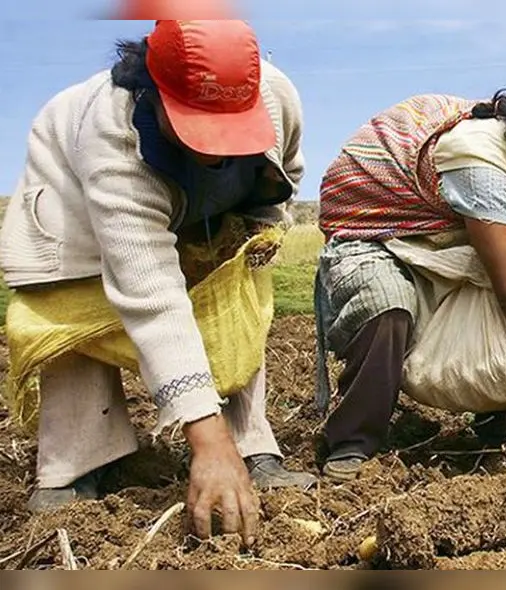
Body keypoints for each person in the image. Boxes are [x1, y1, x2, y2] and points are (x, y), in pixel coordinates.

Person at [0, 20, 316, 543]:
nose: (214, 151)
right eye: (199, 129)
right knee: (75, 313)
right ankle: (74, 466)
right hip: (73, 216)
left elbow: (287, 171)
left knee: (236, 291)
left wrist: (251, 235)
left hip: (206, 206)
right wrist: (204, 443)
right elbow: (150, 296)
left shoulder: (275, 94)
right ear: (156, 93)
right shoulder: (112, 138)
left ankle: (251, 444)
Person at [314, 68, 506, 482]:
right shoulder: (480, 160)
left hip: (454, 236)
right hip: (383, 234)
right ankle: (354, 440)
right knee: (383, 304)